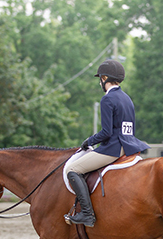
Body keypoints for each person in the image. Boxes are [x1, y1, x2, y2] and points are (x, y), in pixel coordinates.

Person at [64, 59, 150, 227]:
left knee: (72, 169)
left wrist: (88, 141)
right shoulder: (127, 98)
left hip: (114, 148)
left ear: (104, 78)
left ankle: (87, 214)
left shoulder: (108, 99)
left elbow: (106, 132)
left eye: (100, 79)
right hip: (129, 146)